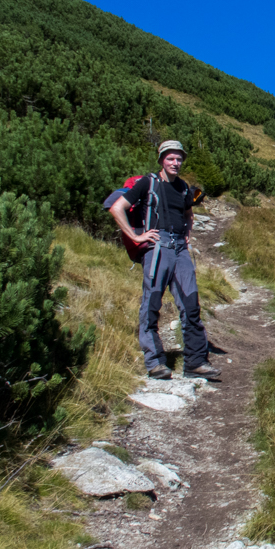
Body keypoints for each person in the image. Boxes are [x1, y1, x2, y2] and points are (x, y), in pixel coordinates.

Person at [109, 140, 221, 380]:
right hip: (157, 249)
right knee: (151, 305)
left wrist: (188, 235)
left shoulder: (183, 187)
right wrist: (136, 236)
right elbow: (117, 208)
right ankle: (155, 362)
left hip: (180, 249)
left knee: (191, 306)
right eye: (170, 158)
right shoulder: (147, 183)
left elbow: (188, 213)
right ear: (161, 160)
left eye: (179, 158)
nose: (175, 162)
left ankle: (195, 362)